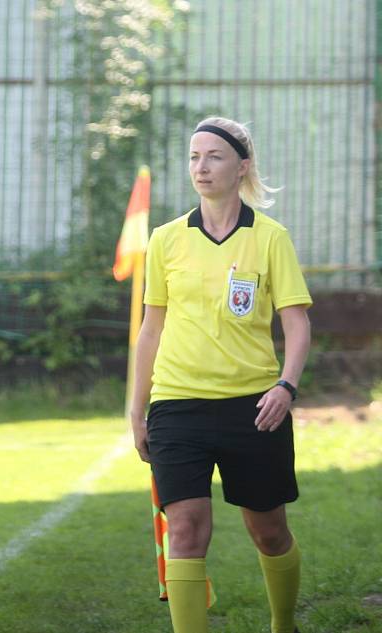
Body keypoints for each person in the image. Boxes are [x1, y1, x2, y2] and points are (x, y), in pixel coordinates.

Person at [130, 116, 311, 633]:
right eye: (193, 157)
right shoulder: (165, 239)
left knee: (269, 531)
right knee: (186, 528)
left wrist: (286, 386)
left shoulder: (271, 238)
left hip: (253, 407)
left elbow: (297, 325)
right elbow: (150, 331)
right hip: (177, 405)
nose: (201, 167)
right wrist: (136, 411)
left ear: (242, 166)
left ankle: (284, 625)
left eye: (214, 156)